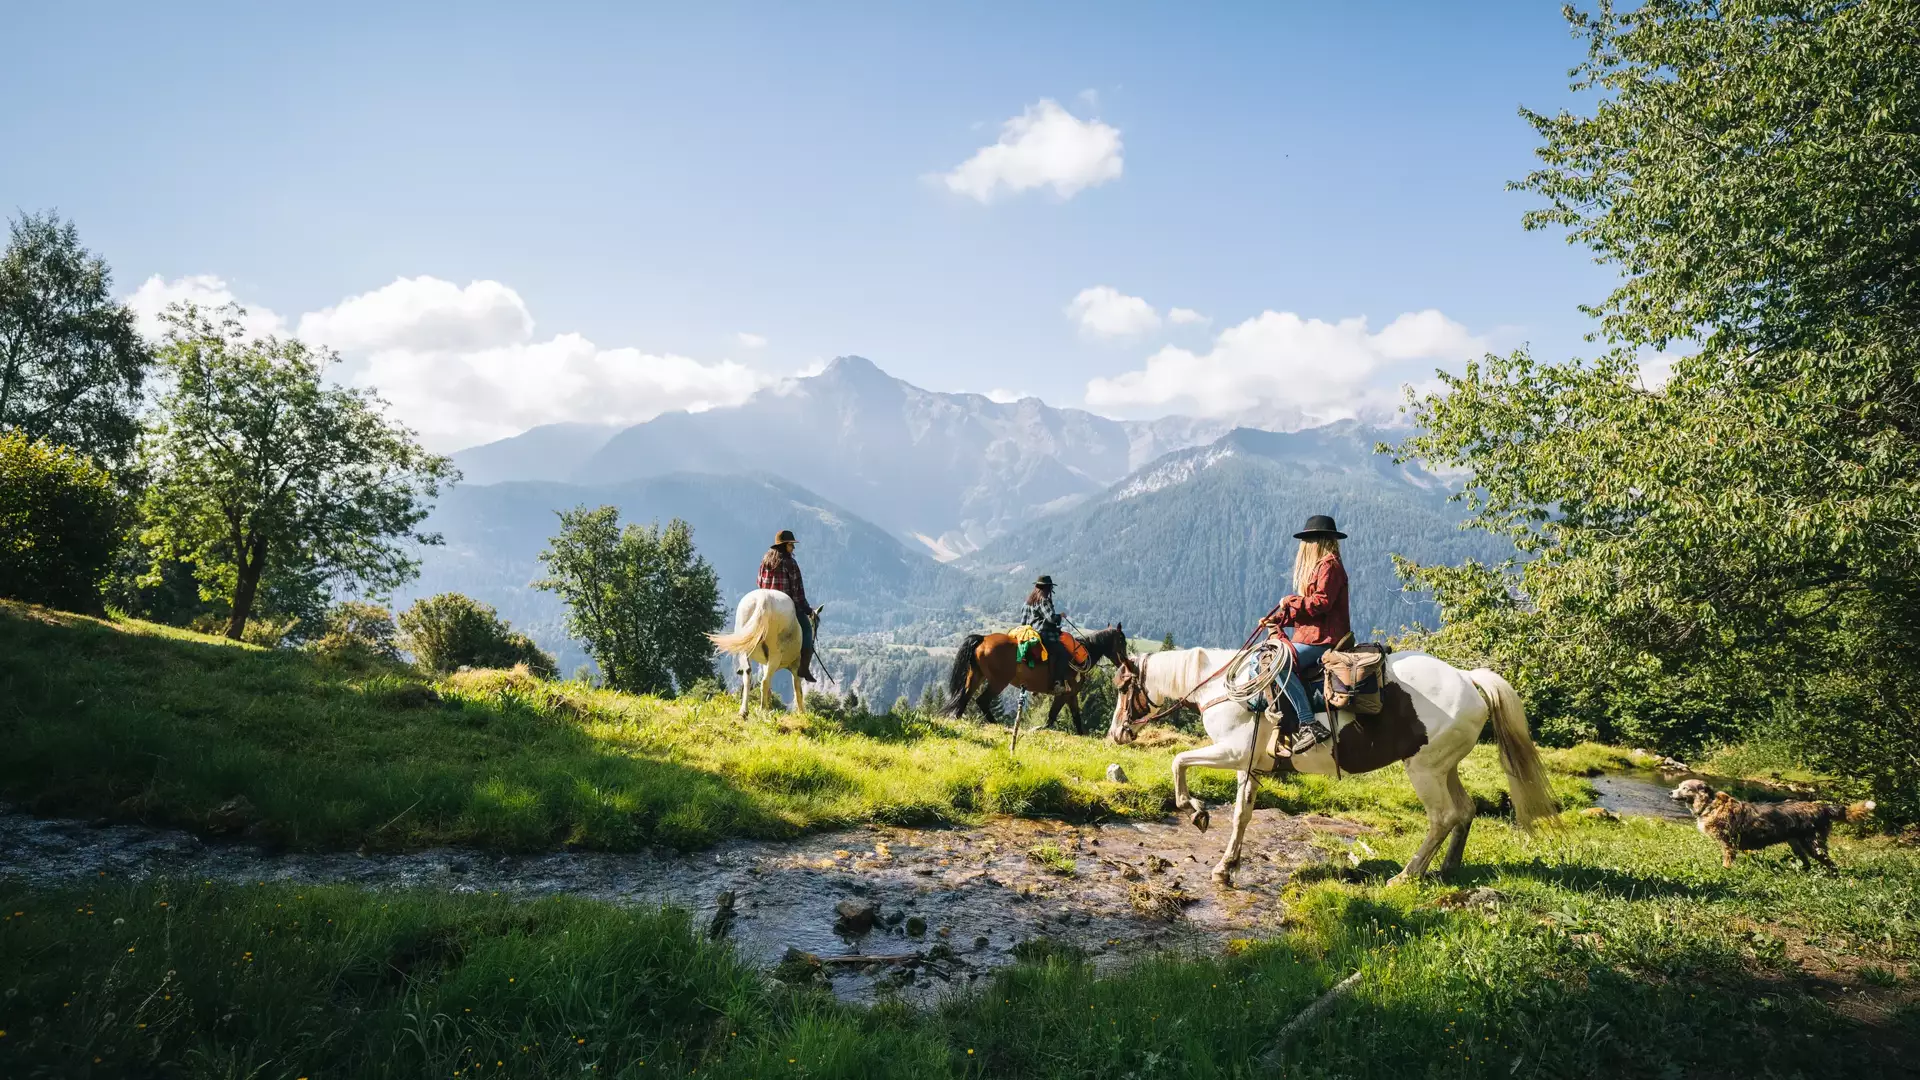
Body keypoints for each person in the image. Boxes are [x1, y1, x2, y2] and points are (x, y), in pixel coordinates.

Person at [1259, 515, 1352, 746]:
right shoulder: (1324, 566)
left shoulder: (1329, 566)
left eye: (1308, 540)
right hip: (1314, 636)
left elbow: (1321, 603)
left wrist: (1290, 601)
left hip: (1323, 640)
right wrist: (1276, 620)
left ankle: (1309, 723)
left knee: (1277, 664)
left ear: (1317, 541)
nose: (1305, 545)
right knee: (1268, 658)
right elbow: (1311, 612)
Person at [758, 529, 815, 681]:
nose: (793, 548)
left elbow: (759, 583)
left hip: (766, 605)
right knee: (807, 630)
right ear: (784, 546)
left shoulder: (765, 561)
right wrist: (808, 610)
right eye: (791, 544)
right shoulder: (790, 563)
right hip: (786, 607)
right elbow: (798, 592)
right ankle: (804, 668)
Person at [1023, 574, 1089, 680]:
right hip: (1044, 634)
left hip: (1029, 634)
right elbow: (1051, 618)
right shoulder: (1043, 600)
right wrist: (1060, 616)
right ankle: (1057, 681)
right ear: (1048, 587)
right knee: (1063, 654)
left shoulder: (1028, 602)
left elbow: (1023, 622)